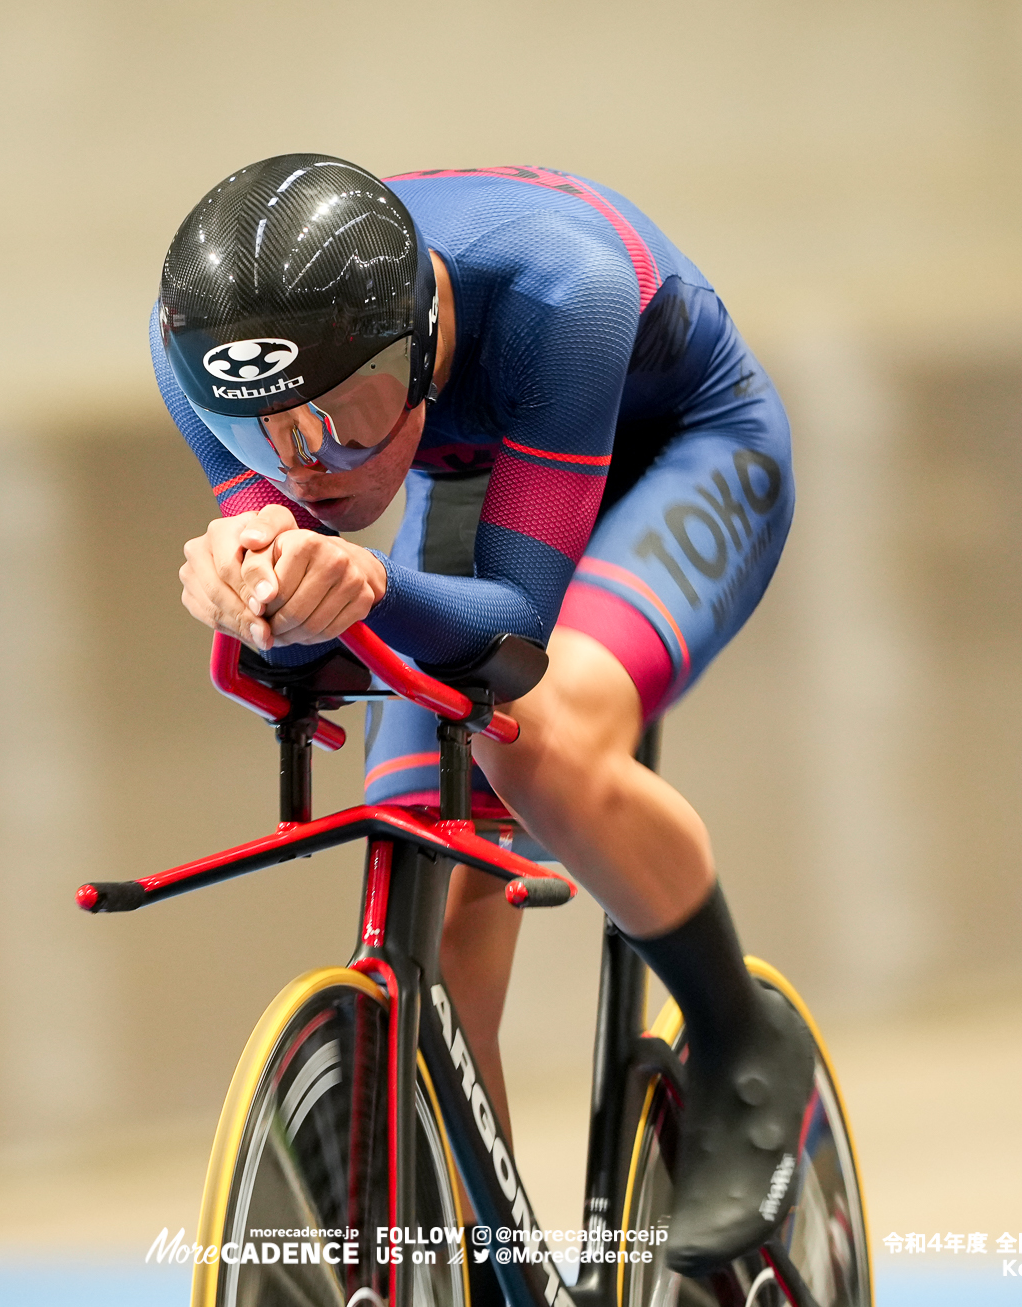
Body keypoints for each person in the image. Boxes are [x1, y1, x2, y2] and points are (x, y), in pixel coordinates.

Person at [152, 153, 812, 1278]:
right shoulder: (197, 348)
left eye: (349, 415)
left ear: (421, 345)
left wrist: (357, 580)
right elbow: (306, 603)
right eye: (268, 430)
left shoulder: (565, 289)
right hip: (482, 473)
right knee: (434, 881)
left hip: (680, 447)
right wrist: (247, 587)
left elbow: (512, 632)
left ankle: (742, 1040)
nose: (309, 466)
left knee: (540, 746)